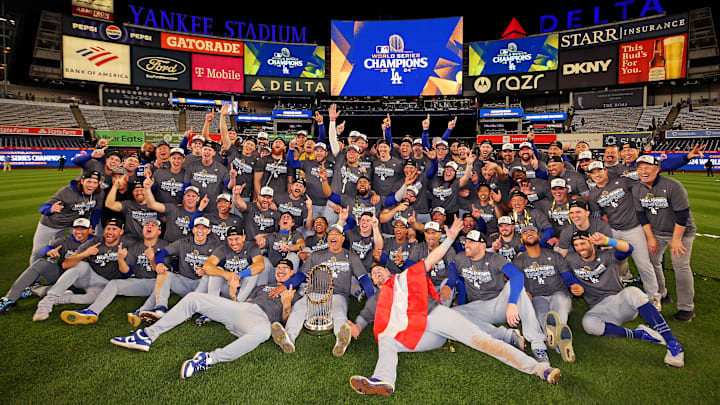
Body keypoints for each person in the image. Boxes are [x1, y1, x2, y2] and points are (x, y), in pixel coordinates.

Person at [346, 219, 561, 397]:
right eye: (374, 274)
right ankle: (383, 381)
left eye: (380, 271)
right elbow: (364, 318)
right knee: (385, 339)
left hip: (435, 316)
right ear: (373, 282)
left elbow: (432, 258)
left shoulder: (404, 277)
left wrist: (450, 237)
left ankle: (539, 368)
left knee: (482, 341)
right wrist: (356, 327)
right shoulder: (376, 299)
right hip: (418, 334)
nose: (377, 274)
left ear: (389, 272)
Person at [110, 259, 301, 379]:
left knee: (264, 331)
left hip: (261, 321)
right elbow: (243, 304)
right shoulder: (264, 286)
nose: (281, 270)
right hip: (243, 309)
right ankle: (147, 336)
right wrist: (233, 296)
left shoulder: (295, 296)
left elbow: (283, 325)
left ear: (292, 274)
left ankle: (208, 359)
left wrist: (286, 305)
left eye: (286, 268)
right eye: (279, 267)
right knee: (194, 298)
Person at [565, 231, 685, 367]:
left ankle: (672, 343)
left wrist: (608, 241)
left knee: (633, 292)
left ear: (591, 243)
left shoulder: (606, 256)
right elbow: (564, 274)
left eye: (583, 243)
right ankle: (640, 334)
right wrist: (573, 286)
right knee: (588, 324)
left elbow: (629, 248)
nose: (580, 248)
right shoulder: (571, 260)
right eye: (576, 245)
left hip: (621, 302)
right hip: (600, 309)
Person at [271, 224, 374, 357]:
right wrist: (285, 285)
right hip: (315, 293)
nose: (333, 236)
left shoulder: (350, 256)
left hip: (337, 295)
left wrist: (372, 301)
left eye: (336, 234)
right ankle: (288, 338)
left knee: (339, 313)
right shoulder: (316, 255)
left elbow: (364, 279)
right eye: (330, 234)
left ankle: (341, 341)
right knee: (298, 308)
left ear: (342, 238)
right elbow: (301, 275)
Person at [59, 218, 169, 325]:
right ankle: (92, 312)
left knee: (160, 284)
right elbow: (127, 273)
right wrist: (120, 260)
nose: (149, 226)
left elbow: (163, 273)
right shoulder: (135, 246)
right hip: (140, 282)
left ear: (159, 231)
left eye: (153, 225)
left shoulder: (165, 246)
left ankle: (142, 312)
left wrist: (152, 260)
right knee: (114, 283)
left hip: (159, 283)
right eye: (146, 225)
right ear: (142, 230)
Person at [632, 155, 696, 322]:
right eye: (640, 168)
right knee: (652, 261)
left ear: (657, 168)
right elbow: (642, 216)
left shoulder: (673, 186)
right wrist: (651, 238)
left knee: (680, 266)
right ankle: (662, 293)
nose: (643, 171)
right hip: (658, 232)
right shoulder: (638, 188)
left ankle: (686, 308)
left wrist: (676, 239)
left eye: (647, 167)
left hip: (681, 232)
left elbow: (682, 216)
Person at [32, 217, 132, 321]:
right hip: (89, 277)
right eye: (108, 228)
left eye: (114, 229)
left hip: (106, 285)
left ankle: (62, 299)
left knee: (99, 298)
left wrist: (121, 259)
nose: (110, 232)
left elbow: (127, 274)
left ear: (121, 232)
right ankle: (46, 304)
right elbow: (66, 264)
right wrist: (84, 254)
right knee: (80, 265)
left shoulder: (128, 244)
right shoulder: (95, 241)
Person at [0, 218, 93, 313]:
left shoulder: (97, 242)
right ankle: (9, 299)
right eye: (76, 228)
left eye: (83, 229)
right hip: (61, 277)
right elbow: (46, 249)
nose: (79, 232)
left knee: (61, 292)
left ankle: (35, 289)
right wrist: (49, 252)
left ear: (90, 230)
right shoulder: (64, 241)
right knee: (40, 263)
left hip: (84, 283)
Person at [30, 170, 105, 265]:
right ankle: (35, 275)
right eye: (89, 181)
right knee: (38, 250)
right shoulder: (67, 191)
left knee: (85, 242)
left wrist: (92, 227)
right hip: (52, 224)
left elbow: (96, 211)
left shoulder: (99, 193)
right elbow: (43, 207)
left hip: (73, 224)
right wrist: (50, 209)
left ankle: (83, 266)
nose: (91, 185)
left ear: (98, 184)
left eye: (95, 182)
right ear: (82, 181)